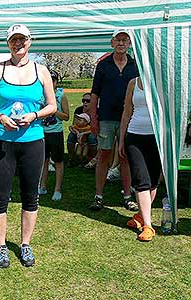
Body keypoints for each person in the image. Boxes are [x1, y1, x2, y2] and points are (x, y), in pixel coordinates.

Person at [0, 24, 56, 268]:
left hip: (33, 141)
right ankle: (2, 246)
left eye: (22, 39)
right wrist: (1, 117)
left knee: (30, 196)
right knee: (0, 196)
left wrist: (34, 115)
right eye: (13, 40)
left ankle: (25, 244)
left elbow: (52, 106)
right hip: (3, 141)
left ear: (30, 42)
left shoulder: (41, 70)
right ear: (8, 44)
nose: (18, 44)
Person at [89, 29, 139, 211]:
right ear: (112, 43)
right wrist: (93, 118)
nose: (121, 43)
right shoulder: (103, 65)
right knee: (103, 155)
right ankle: (98, 196)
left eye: (125, 40)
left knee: (125, 156)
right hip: (106, 118)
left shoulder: (135, 65)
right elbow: (94, 94)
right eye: (118, 40)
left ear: (129, 44)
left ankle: (127, 196)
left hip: (129, 119)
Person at [118, 76, 161, 241]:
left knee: (153, 182)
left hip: (157, 138)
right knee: (141, 180)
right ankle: (148, 226)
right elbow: (127, 111)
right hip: (135, 136)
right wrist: (122, 139)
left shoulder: (162, 81)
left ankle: (142, 216)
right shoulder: (133, 83)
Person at [38, 70, 69, 201]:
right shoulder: (40, 95)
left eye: (53, 80)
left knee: (58, 161)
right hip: (41, 132)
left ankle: (57, 189)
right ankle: (42, 186)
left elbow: (67, 116)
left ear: (56, 82)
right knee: (43, 160)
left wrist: (53, 110)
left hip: (55, 133)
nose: (51, 83)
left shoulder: (61, 96)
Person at [67, 92, 97, 168]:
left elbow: (96, 128)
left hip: (91, 131)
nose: (85, 102)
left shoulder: (97, 111)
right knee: (71, 136)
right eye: (83, 100)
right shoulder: (78, 110)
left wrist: (84, 133)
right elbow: (74, 125)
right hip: (79, 131)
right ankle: (71, 158)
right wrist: (72, 129)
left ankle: (91, 160)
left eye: (88, 101)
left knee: (91, 137)